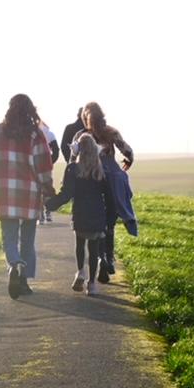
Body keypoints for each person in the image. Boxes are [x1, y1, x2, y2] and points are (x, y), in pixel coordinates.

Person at [0, 94, 55, 299]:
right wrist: (48, 187)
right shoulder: (35, 134)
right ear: (31, 110)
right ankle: (23, 280)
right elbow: (43, 165)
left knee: (9, 238)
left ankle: (14, 265)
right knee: (28, 240)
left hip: (4, 193)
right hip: (29, 193)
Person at [73, 102, 137, 284]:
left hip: (93, 181)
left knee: (95, 225)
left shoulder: (81, 135)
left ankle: (100, 258)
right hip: (112, 180)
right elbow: (128, 151)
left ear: (85, 118)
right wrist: (127, 162)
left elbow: (74, 160)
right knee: (110, 222)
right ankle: (107, 258)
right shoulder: (111, 132)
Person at [46, 133, 112, 295]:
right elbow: (109, 195)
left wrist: (49, 204)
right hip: (97, 214)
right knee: (94, 247)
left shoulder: (73, 169)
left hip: (80, 214)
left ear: (77, 149)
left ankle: (80, 271)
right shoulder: (101, 169)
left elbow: (66, 193)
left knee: (80, 244)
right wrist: (111, 218)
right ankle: (92, 284)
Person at [38, 120, 60, 224]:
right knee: (47, 188)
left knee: (38, 190)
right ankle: (48, 212)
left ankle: (40, 214)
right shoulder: (50, 134)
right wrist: (51, 161)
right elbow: (56, 151)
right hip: (47, 165)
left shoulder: (33, 133)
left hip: (35, 165)